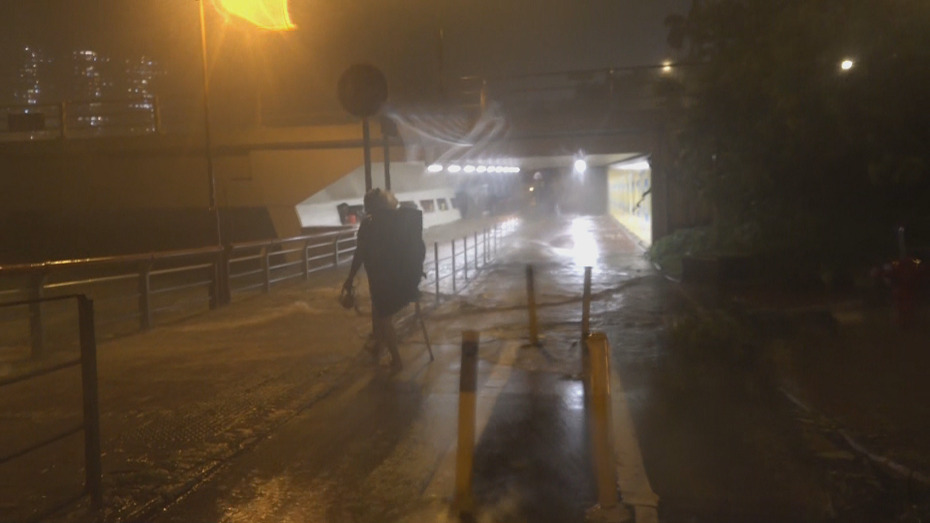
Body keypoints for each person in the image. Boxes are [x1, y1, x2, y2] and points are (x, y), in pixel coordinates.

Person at [343, 188, 405, 371]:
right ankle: (378, 348)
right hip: (399, 277)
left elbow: (360, 253)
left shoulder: (369, 225)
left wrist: (350, 277)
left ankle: (396, 359)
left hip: (380, 279)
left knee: (384, 319)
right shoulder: (397, 222)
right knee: (380, 316)